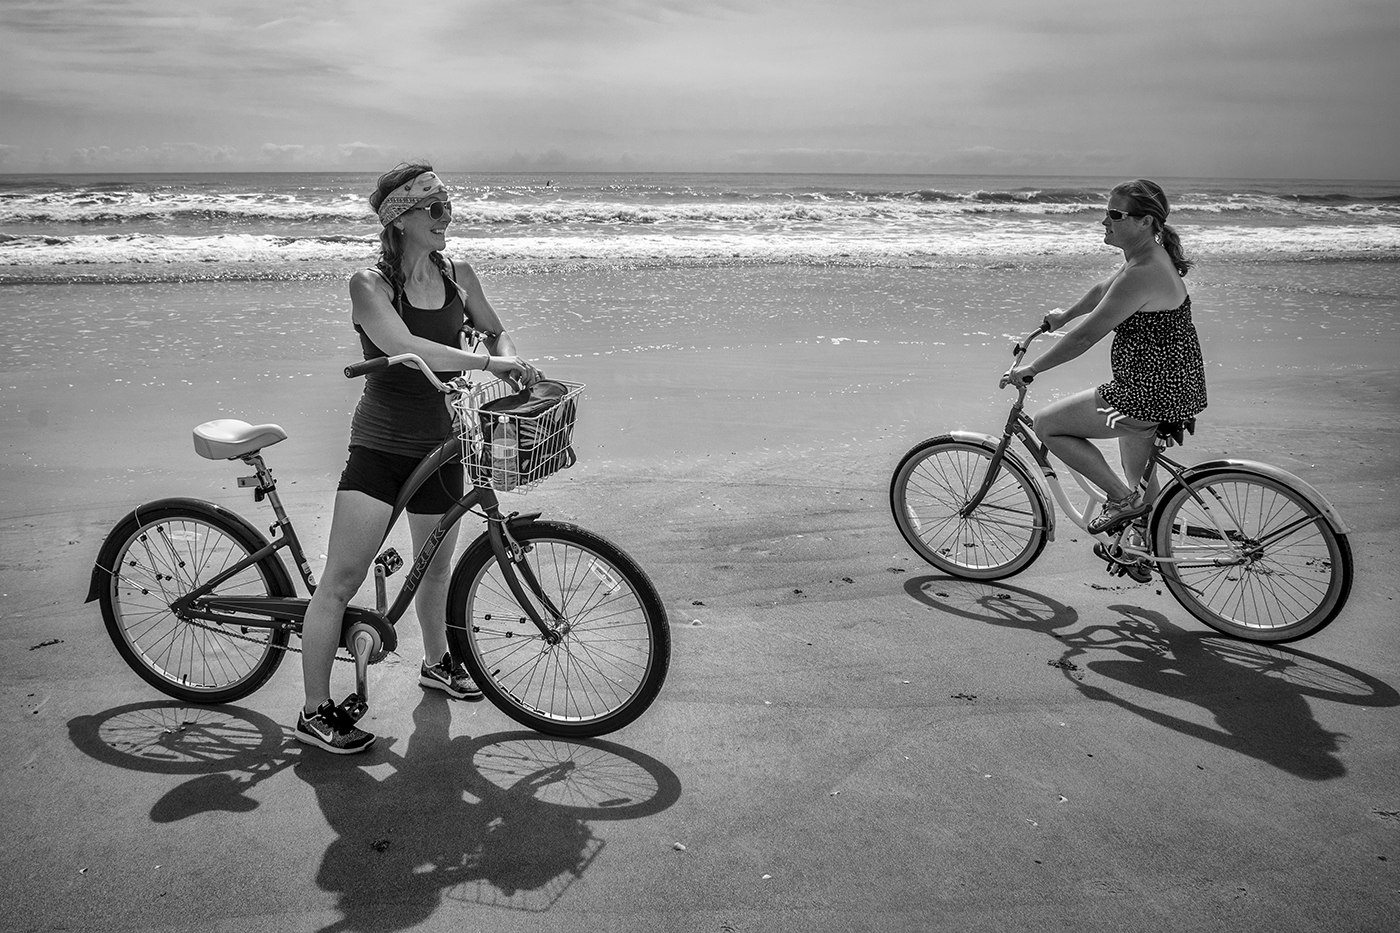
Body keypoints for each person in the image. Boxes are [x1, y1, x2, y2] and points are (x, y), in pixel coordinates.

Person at [296, 164, 540, 754]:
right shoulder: (369, 285)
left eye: (447, 205)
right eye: (433, 209)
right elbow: (403, 346)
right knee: (342, 580)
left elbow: (495, 332)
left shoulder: (459, 275)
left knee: (435, 567)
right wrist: (488, 364)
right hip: (381, 448)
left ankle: (437, 663)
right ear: (400, 220)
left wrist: (509, 358)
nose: (444, 217)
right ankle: (313, 711)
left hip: (443, 442)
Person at [1002, 179, 1207, 536]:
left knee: (1047, 425)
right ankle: (1148, 544)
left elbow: (1084, 338)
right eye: (1106, 212)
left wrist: (1032, 369)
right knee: (1139, 478)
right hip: (1171, 388)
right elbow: (1103, 290)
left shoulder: (1142, 272)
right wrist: (1065, 315)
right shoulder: (1147, 258)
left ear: (1145, 221)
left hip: (1143, 397)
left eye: (1115, 214)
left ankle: (1121, 501)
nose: (1104, 221)